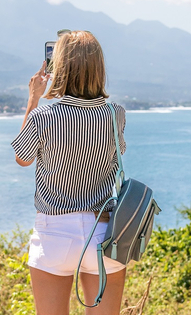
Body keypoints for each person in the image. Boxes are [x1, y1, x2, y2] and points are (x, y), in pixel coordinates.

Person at [11, 31, 127, 315]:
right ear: (98, 67)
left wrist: (33, 100)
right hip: (103, 231)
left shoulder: (44, 116)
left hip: (54, 232)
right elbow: (117, 155)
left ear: (60, 67)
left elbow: (23, 158)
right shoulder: (116, 113)